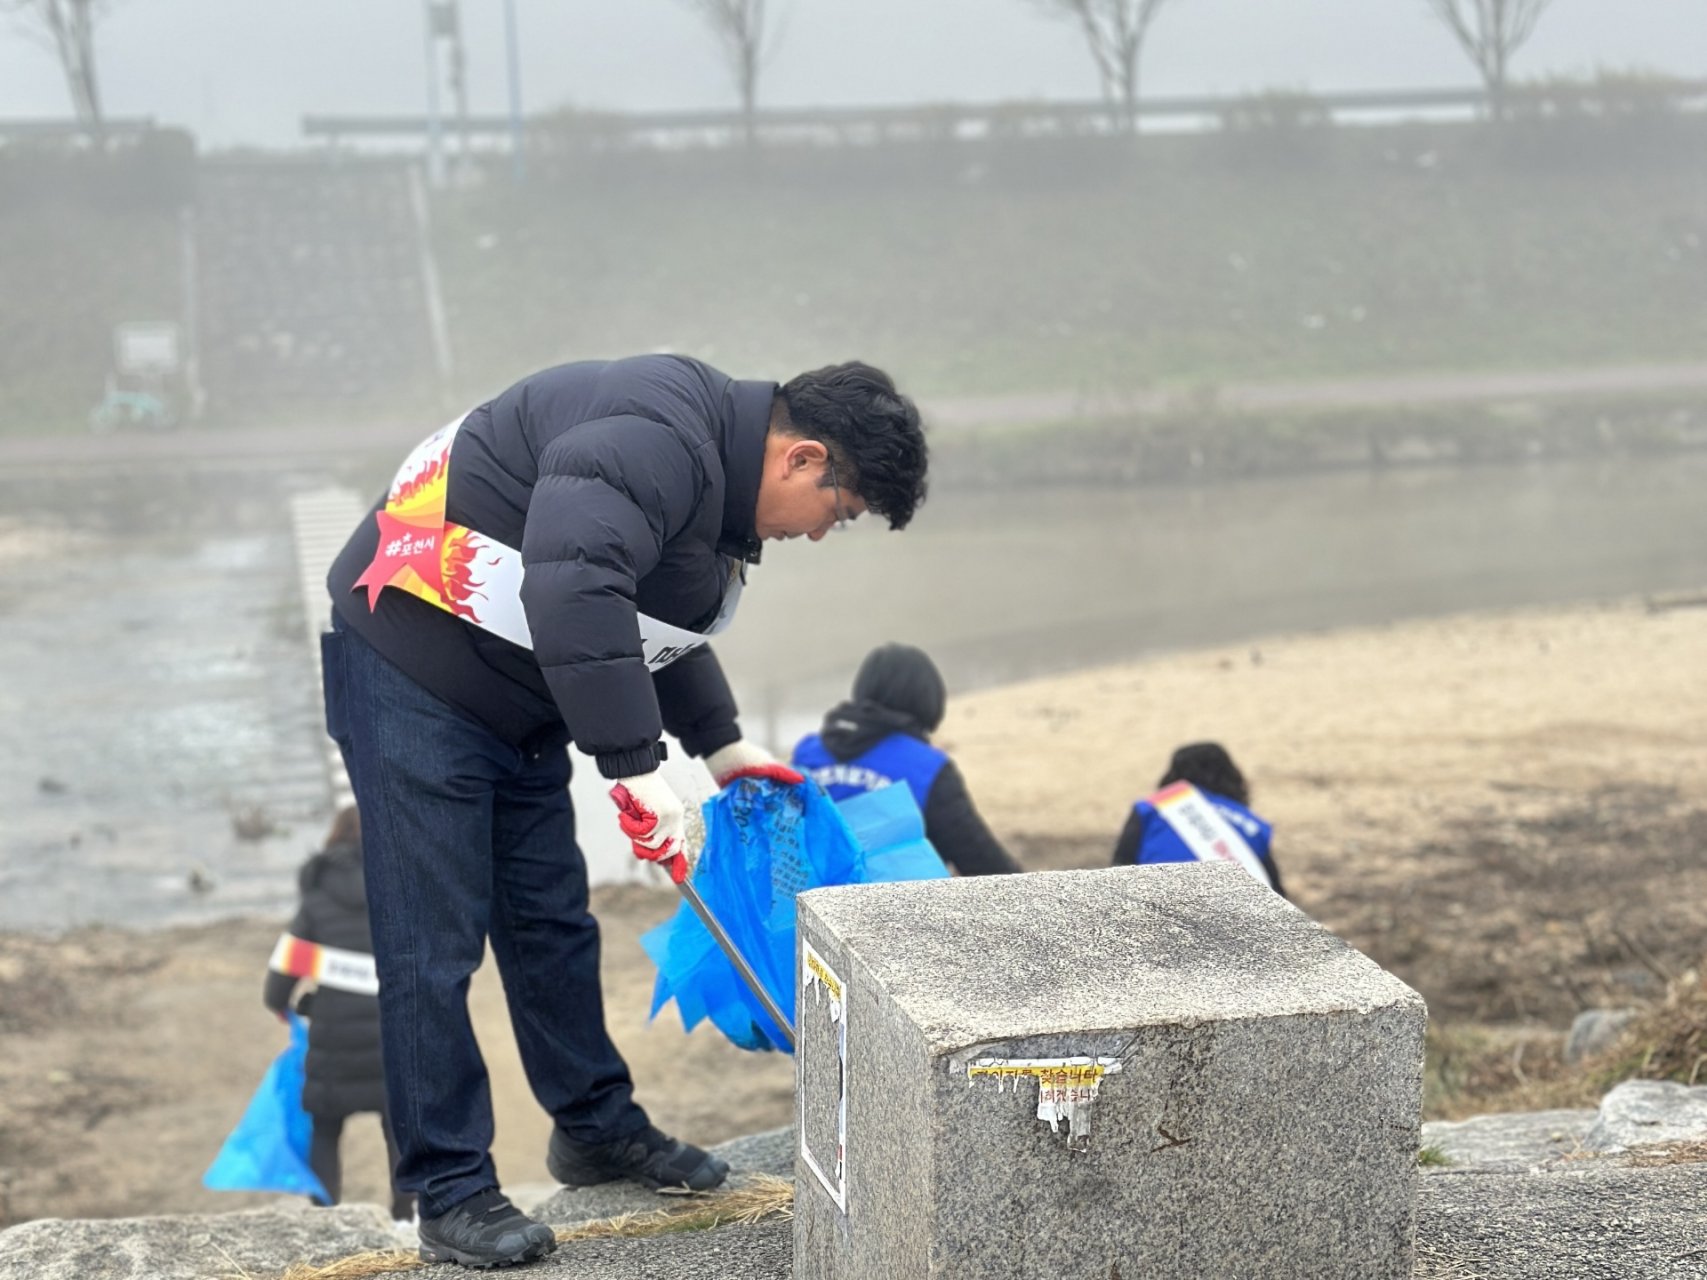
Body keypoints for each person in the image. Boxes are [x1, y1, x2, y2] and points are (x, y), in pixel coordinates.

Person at [321, 355, 928, 1268]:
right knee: (431, 943)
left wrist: (719, 744)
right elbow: (578, 587)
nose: (817, 534)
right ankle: (447, 1188)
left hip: (513, 685)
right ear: (803, 458)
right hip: (410, 662)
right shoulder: (653, 438)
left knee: (551, 922)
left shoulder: (713, 473)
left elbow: (648, 620)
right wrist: (633, 765)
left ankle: (594, 1127)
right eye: (835, 513)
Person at [262, 805, 412, 1223]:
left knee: (325, 1129)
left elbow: (277, 985)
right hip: (391, 1032)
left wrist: (284, 1007)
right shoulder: (398, 888)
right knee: (399, 1127)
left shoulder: (316, 901)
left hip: (333, 1039)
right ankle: (405, 1218)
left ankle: (326, 1218)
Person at [792, 643, 1019, 876]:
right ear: (928, 699)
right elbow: (983, 862)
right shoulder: (927, 768)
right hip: (897, 897)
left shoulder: (807, 755)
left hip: (811, 896)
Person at [1111, 742, 1285, 896]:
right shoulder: (1253, 826)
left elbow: (1120, 867)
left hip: (1155, 907)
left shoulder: (1151, 808)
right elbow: (1275, 894)